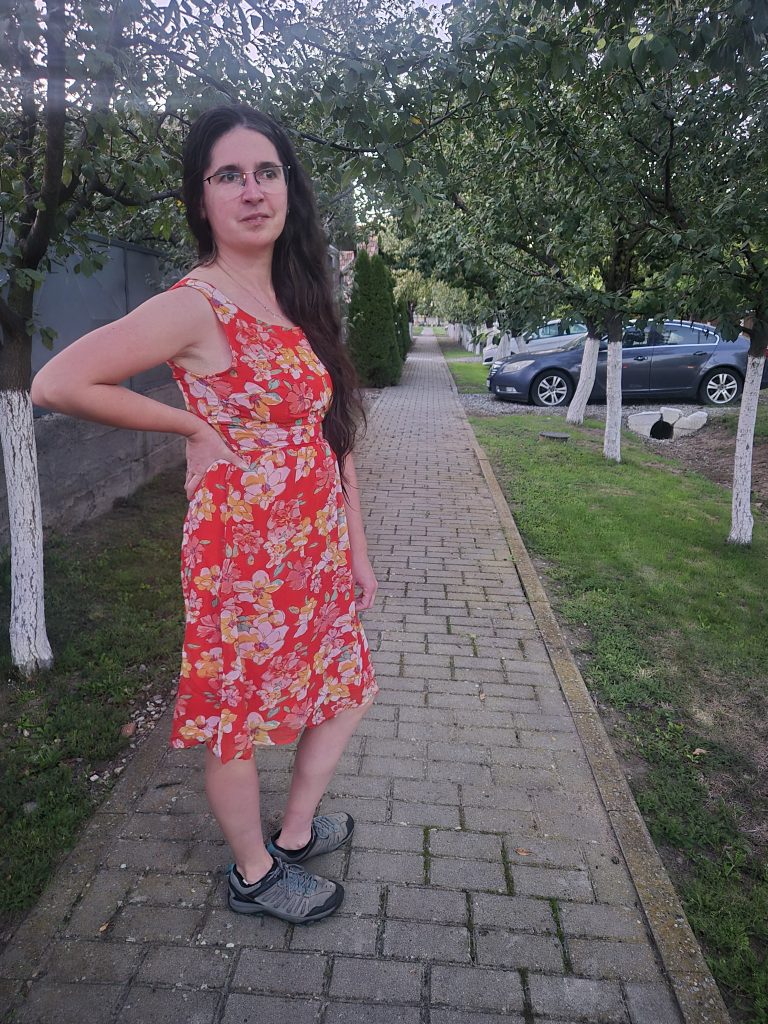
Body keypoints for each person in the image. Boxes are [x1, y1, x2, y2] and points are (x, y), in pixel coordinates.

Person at [31, 104, 379, 924]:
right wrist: (190, 426)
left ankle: (295, 834)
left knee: (347, 686)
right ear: (201, 198)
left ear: (288, 188)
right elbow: (57, 382)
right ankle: (254, 874)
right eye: (229, 175)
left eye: (267, 172)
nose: (252, 190)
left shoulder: (295, 298)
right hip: (241, 556)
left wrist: (357, 549)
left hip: (315, 545)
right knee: (235, 717)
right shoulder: (196, 305)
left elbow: (331, 437)